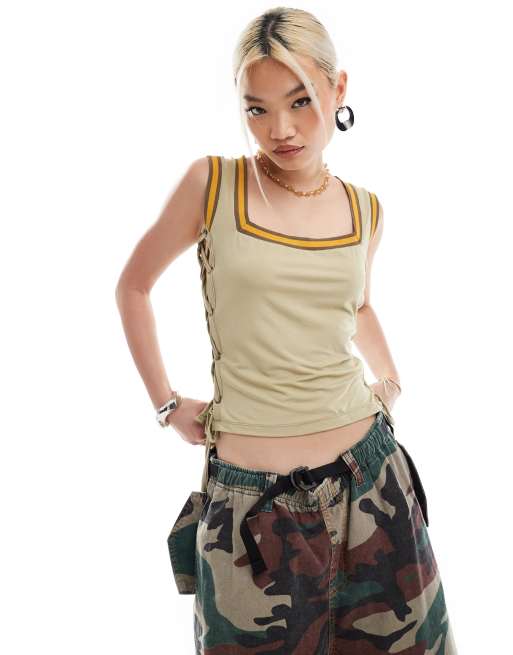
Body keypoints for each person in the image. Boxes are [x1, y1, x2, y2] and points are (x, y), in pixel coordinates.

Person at [115, 7, 458, 654]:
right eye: (257, 108)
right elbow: (133, 286)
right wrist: (166, 403)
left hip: (372, 483)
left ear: (338, 88)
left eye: (300, 101)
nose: (280, 128)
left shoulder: (365, 209)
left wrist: (389, 380)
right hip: (252, 510)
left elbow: (356, 306)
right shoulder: (213, 183)